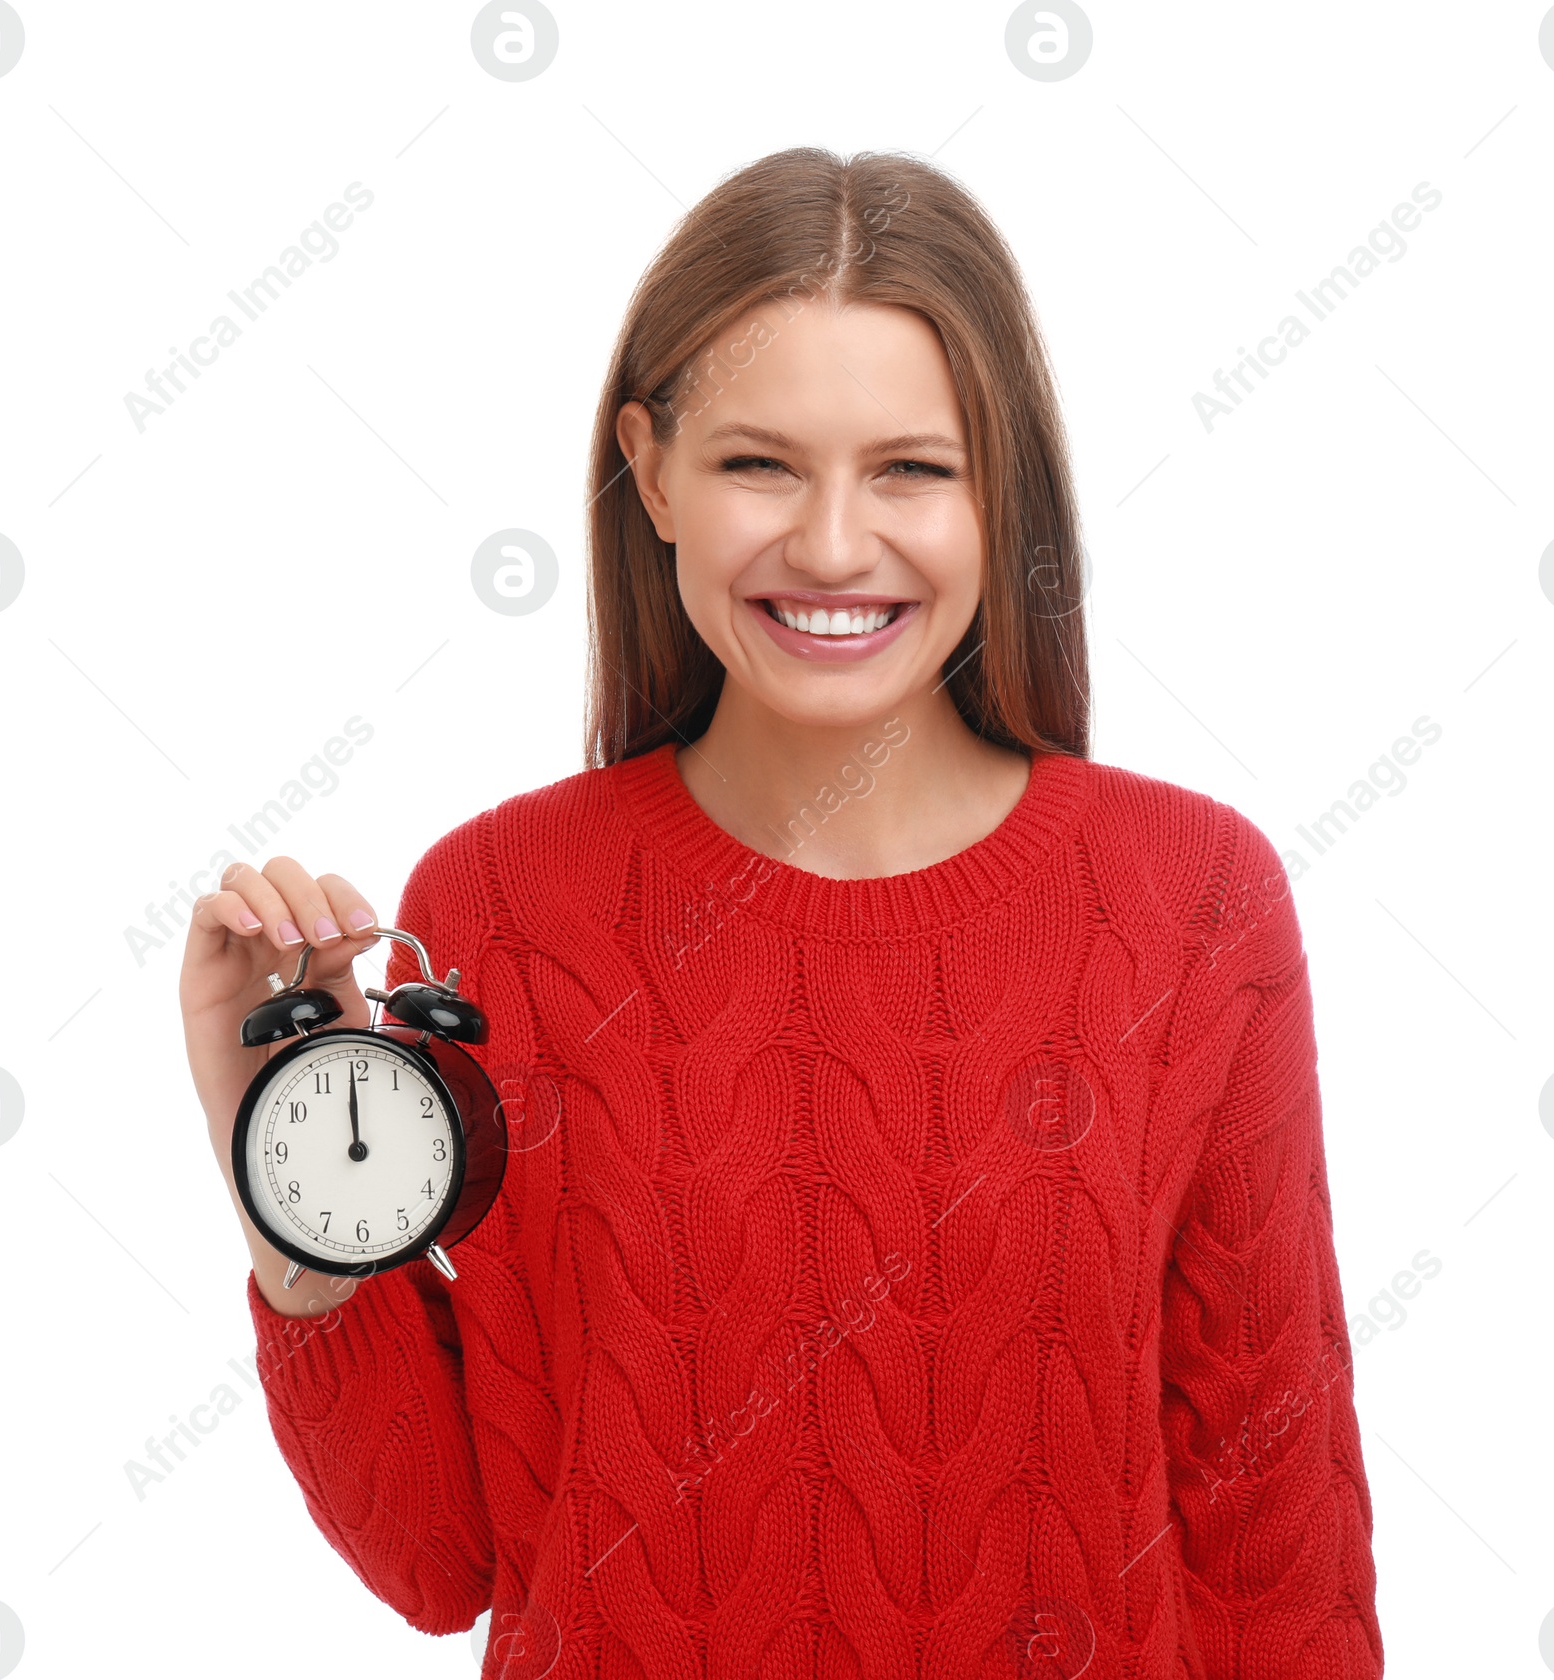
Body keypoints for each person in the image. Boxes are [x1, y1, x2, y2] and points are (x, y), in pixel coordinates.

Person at [180, 146, 1383, 1679]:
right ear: (654, 471)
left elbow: (1273, 1541)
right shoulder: (499, 907)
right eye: (760, 463)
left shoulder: (1194, 900)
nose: (829, 545)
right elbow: (445, 1563)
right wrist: (288, 1187)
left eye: (911, 468)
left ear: (998, 486)